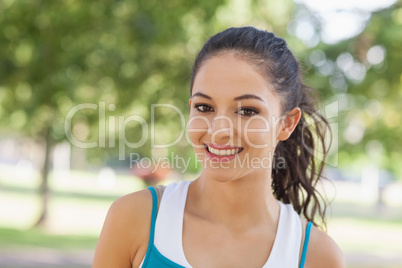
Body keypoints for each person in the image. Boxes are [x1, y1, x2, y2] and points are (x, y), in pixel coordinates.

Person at [93, 26, 346, 268]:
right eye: (204, 107)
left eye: (247, 111)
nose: (219, 131)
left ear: (287, 124)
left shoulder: (318, 256)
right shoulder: (135, 219)